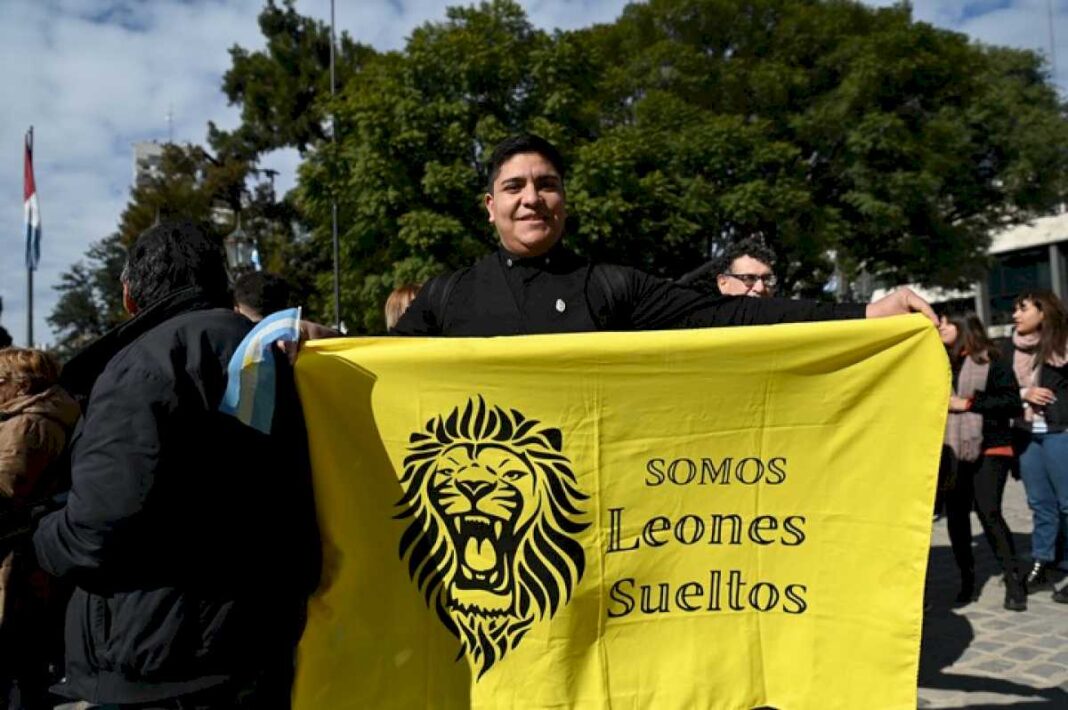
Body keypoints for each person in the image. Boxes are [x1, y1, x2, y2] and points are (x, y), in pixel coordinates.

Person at [33, 222, 318, 708]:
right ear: (221, 284)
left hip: (160, 656)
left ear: (128, 296)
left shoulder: (142, 366)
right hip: (258, 642)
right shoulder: (269, 353)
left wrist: (42, 533)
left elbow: (95, 532)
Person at [391, 134, 935, 337]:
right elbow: (375, 369)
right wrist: (314, 342)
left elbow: (734, 315)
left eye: (546, 184)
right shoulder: (446, 295)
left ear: (564, 201)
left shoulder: (609, 286)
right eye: (514, 187)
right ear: (491, 207)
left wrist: (864, 313)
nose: (531, 198)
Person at [0, 348, 80, 709]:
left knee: (17, 665)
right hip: (26, 553)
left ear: (19, 384)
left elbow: (7, 489)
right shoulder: (38, 416)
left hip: (15, 557)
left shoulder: (29, 424)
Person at [938, 314, 1026, 610]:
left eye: (945, 324)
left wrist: (969, 403)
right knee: (957, 516)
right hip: (952, 448)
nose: (939, 329)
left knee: (989, 511)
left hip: (991, 446)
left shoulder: (992, 359)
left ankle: (1014, 581)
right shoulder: (938, 364)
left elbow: (1012, 403)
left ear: (962, 326)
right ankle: (967, 579)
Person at [1010, 289, 1068, 599]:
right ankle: (1043, 562)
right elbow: (1005, 387)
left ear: (1042, 313)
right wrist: (1024, 393)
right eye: (1014, 310)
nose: (1015, 315)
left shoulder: (1062, 346)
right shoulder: (1012, 348)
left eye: (1023, 309)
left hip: (1061, 431)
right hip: (1027, 433)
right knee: (1040, 504)